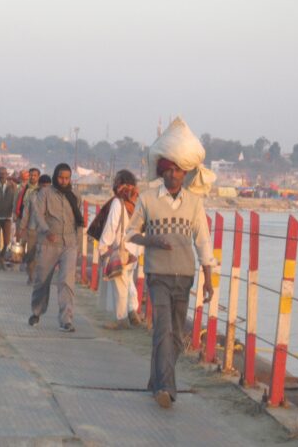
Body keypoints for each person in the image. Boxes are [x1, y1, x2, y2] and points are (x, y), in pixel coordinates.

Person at [126, 157, 216, 409]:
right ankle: (166, 388)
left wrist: (208, 279)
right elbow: (131, 233)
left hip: (184, 275)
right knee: (163, 328)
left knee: (176, 336)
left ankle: (156, 378)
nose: (173, 174)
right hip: (158, 274)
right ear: (162, 172)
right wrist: (152, 241)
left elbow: (203, 241)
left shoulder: (194, 203)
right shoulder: (148, 199)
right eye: (169, 170)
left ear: (185, 174)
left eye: (178, 170)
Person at [28, 163, 84, 332]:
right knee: (42, 280)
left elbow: (79, 221)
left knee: (67, 281)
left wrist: (79, 245)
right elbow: (38, 214)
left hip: (69, 244)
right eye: (61, 177)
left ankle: (66, 319)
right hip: (49, 242)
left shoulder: (75, 195)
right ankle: (36, 311)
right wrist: (46, 230)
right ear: (55, 176)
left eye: (67, 178)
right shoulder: (45, 193)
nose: (64, 181)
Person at [99, 170, 144, 329]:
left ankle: (121, 319)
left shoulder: (118, 202)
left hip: (121, 250)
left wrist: (103, 246)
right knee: (128, 281)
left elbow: (112, 225)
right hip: (134, 249)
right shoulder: (138, 201)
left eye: (116, 181)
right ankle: (132, 311)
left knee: (120, 285)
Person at [17, 171, 47, 284]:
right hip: (32, 229)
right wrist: (22, 227)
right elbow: (26, 212)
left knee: (43, 255)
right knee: (31, 254)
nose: (45, 189)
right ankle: (31, 275)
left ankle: (40, 277)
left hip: (47, 231)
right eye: (43, 186)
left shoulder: (53, 198)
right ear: (40, 184)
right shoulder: (32, 195)